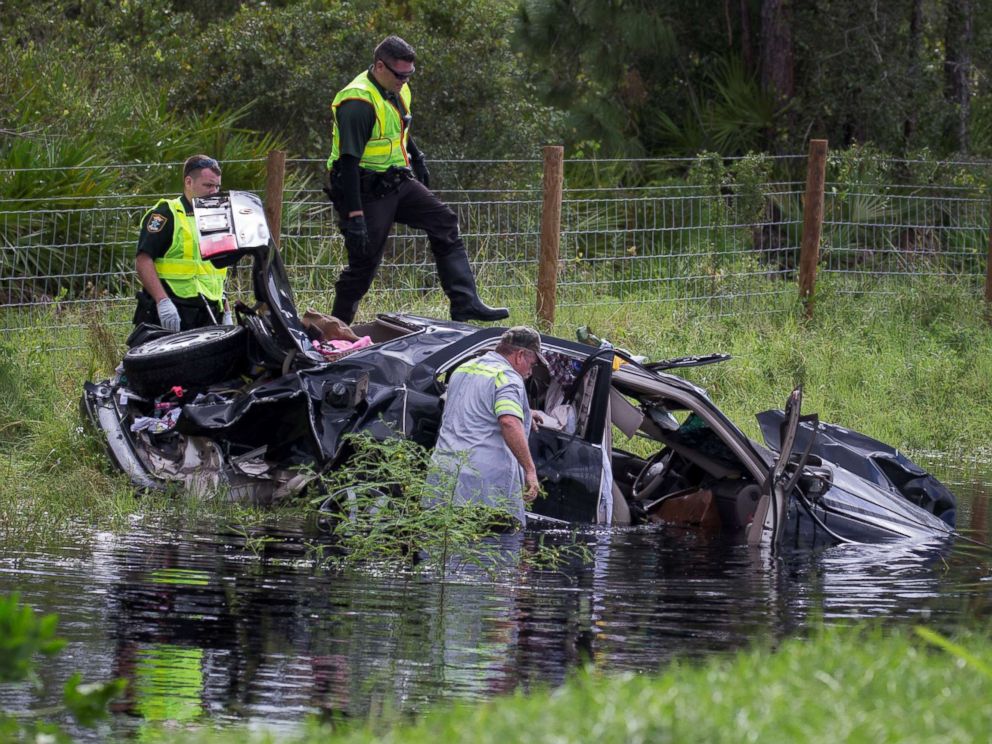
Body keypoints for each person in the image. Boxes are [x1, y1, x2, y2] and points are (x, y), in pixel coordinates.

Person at [325, 35, 508, 325]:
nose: (405, 81)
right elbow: (347, 163)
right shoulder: (358, 102)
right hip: (363, 190)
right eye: (400, 75)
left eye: (410, 75)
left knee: (444, 221)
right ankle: (333, 330)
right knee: (364, 264)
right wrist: (355, 215)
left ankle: (465, 303)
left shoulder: (398, 88)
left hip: (397, 180)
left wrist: (417, 156)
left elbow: (398, 126)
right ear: (380, 67)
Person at [431, 326, 546, 526]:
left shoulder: (465, 368)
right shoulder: (507, 377)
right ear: (520, 355)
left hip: (444, 472)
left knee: (442, 546)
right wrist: (530, 470)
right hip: (481, 484)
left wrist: (525, 412)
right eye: (532, 363)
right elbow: (508, 422)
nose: (530, 370)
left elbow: (474, 406)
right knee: (487, 551)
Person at [133, 154, 230, 332]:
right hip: (173, 311)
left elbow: (215, 271)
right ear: (188, 182)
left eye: (217, 186)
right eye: (208, 185)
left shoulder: (215, 216)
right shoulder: (166, 213)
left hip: (208, 314)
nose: (214, 191)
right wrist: (162, 302)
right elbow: (143, 260)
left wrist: (226, 310)